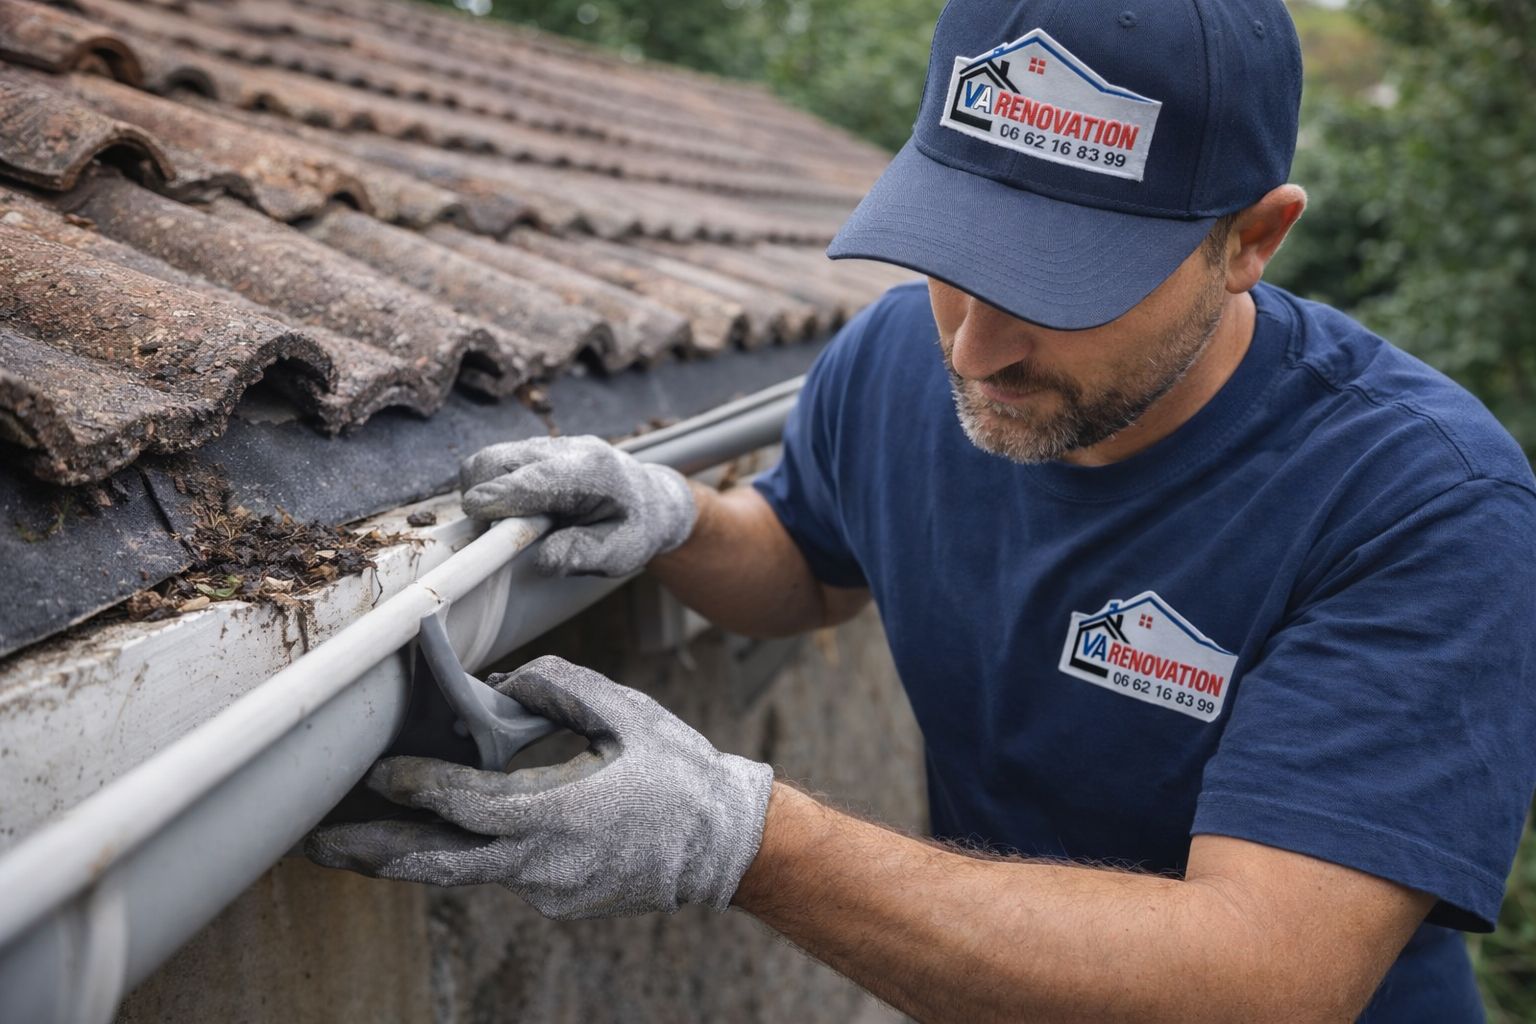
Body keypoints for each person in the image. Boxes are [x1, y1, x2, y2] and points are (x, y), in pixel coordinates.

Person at [308, 0, 1536, 1019]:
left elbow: (1263, 973)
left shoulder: (1418, 501)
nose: (974, 345)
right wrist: (679, 518)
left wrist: (740, 838)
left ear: (1250, 241)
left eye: (1062, 280)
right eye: (957, 252)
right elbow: (808, 563)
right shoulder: (897, 355)